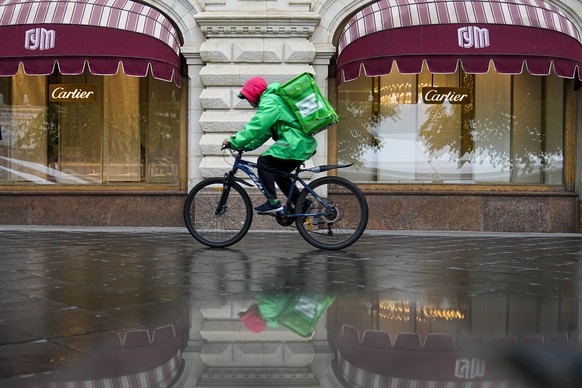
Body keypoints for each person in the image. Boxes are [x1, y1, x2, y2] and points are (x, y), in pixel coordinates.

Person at [222, 76, 317, 213]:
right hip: (299, 144)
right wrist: (244, 146)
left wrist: (234, 140)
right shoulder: (273, 101)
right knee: (279, 174)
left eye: (248, 97)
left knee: (264, 162)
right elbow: (263, 134)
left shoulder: (270, 101)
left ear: (254, 94)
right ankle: (302, 204)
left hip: (295, 143)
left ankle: (273, 202)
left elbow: (257, 126)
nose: (248, 101)